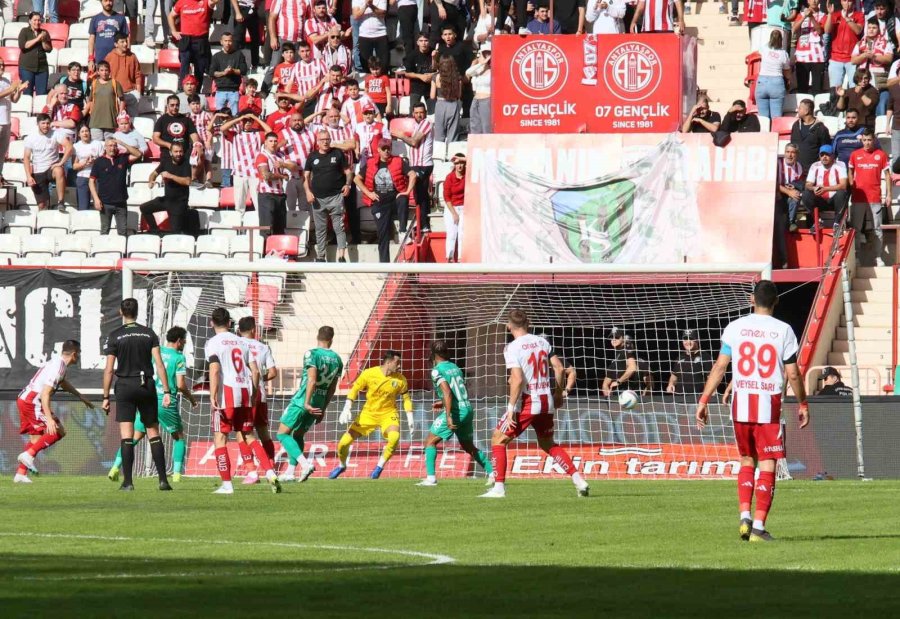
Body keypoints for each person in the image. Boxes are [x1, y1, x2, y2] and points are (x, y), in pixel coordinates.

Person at [695, 280, 809, 542]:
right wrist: (803, 403)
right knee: (768, 464)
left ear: (751, 299)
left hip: (741, 405)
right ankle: (758, 526)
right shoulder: (784, 331)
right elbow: (792, 373)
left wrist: (703, 401)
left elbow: (720, 367)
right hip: (768, 407)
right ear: (776, 301)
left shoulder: (735, 328)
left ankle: (744, 515)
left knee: (747, 460)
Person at [480, 310, 590, 499]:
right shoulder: (542, 342)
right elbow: (559, 367)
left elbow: (516, 379)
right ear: (528, 323)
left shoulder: (512, 347)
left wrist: (511, 408)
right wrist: (558, 393)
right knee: (548, 443)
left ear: (508, 326)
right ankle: (578, 480)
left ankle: (498, 488)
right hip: (546, 399)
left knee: (498, 439)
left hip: (529, 401)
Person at [204, 307, 281, 495]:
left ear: (212, 323)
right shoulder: (242, 342)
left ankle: (227, 485)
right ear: (230, 323)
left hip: (226, 395)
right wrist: (254, 393)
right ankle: (270, 472)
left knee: (220, 437)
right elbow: (255, 372)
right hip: (245, 392)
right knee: (249, 435)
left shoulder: (213, 343)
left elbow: (214, 370)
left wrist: (212, 394)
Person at [108, 326, 197, 484]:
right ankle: (176, 475)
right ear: (178, 341)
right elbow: (181, 384)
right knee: (179, 437)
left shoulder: (154, 350)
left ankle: (115, 468)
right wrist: (191, 399)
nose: (184, 343)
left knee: (132, 438)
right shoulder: (178, 357)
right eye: (183, 340)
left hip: (148, 397)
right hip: (165, 400)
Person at [102, 298, 174, 491]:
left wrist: (106, 397)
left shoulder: (115, 335)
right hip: (146, 385)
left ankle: (128, 482)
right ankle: (163, 480)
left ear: (120, 312)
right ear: (137, 312)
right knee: (153, 432)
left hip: (125, 386)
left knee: (127, 435)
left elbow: (109, 369)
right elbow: (159, 364)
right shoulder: (148, 333)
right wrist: (166, 391)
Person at [14, 340, 94, 484]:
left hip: (24, 399)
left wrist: (79, 396)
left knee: (35, 440)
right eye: (79, 353)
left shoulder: (57, 363)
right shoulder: (59, 367)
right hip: (33, 401)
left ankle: (20, 474)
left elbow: (63, 383)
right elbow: (45, 394)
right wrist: (49, 419)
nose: (80, 356)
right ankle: (28, 455)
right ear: (75, 354)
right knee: (58, 431)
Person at [417, 340, 494, 487]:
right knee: (468, 446)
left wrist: (448, 415)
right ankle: (491, 473)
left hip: (456, 411)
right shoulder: (455, 367)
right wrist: (442, 402)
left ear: (432, 354)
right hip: (467, 408)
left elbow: (447, 392)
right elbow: (457, 390)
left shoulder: (437, 370)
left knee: (430, 441)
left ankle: (431, 479)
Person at [331, 350, 413, 479]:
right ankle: (342, 465)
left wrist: (410, 416)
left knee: (394, 437)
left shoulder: (401, 379)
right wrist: (347, 407)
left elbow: (406, 398)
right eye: (397, 363)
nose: (399, 366)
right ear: (388, 362)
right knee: (343, 443)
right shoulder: (369, 373)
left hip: (388, 414)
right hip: (368, 414)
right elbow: (355, 389)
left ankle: (379, 467)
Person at [277, 325, 344, 482]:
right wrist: (324, 408)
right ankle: (290, 472)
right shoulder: (338, 360)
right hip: (320, 401)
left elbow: (312, 380)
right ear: (331, 340)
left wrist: (306, 402)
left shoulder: (312, 354)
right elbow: (333, 388)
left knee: (282, 433)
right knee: (298, 434)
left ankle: (305, 464)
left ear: (317, 337)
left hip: (303, 400)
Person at [355, 138, 417, 262]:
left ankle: (402, 231)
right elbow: (357, 179)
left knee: (403, 198)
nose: (386, 151)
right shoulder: (371, 162)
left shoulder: (398, 161)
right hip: (379, 203)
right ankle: (384, 266)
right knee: (383, 235)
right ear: (378, 150)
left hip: (394, 201)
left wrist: (407, 191)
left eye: (388, 148)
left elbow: (413, 174)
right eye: (383, 149)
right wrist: (369, 193)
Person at [237, 317, 278, 484]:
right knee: (263, 432)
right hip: (260, 394)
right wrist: (260, 380)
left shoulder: (236, 344)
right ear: (254, 330)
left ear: (239, 330)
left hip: (243, 393)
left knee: (242, 433)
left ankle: (252, 472)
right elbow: (273, 372)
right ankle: (271, 466)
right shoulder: (263, 347)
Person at [305, 129, 352, 262]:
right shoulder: (312, 156)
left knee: (339, 227)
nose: (325, 142)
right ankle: (321, 256)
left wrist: (347, 184)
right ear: (317, 142)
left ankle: (341, 256)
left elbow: (348, 171)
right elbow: (306, 177)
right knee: (320, 229)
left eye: (327, 139)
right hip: (318, 198)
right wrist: (308, 192)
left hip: (335, 196)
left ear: (330, 140)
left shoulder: (337, 153)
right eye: (322, 140)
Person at [848, 127, 891, 265]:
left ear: (874, 140)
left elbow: (887, 175)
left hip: (874, 197)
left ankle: (878, 257)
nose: (867, 143)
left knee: (877, 229)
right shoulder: (855, 154)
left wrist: (889, 194)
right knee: (856, 228)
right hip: (858, 198)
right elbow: (850, 171)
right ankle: (856, 258)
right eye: (864, 140)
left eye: (869, 140)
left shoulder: (881, 154)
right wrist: (852, 186)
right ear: (862, 140)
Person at [392, 102, 434, 234]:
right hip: (416, 164)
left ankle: (424, 225)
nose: (419, 115)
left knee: (421, 195)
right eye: (416, 112)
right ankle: (423, 224)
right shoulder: (417, 125)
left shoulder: (426, 123)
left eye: (421, 112)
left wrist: (401, 136)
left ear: (425, 113)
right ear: (412, 113)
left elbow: (414, 142)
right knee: (419, 195)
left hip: (423, 164)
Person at [90, 136, 142, 234]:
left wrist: (122, 143)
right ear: (105, 147)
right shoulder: (99, 161)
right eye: (110, 145)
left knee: (122, 232)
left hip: (121, 203)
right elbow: (91, 181)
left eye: (114, 145)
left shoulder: (123, 158)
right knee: (104, 231)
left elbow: (138, 154)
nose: (112, 148)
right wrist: (96, 199)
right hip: (105, 203)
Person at [222, 111, 270, 215]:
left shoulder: (258, 134)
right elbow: (223, 128)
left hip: (255, 173)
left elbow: (269, 131)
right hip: (239, 173)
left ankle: (259, 224)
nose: (247, 123)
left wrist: (254, 117)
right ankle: (240, 224)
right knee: (239, 202)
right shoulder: (234, 135)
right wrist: (240, 118)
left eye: (250, 121)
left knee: (258, 201)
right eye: (245, 121)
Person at [140, 140, 192, 235]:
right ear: (170, 152)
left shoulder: (186, 163)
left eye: (180, 151)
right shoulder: (166, 162)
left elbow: (188, 181)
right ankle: (155, 230)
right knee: (144, 208)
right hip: (167, 200)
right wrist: (151, 180)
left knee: (174, 233)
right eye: (176, 152)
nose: (179, 154)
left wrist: (170, 176)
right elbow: (154, 174)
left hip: (179, 203)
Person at [24, 113, 73, 211]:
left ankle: (61, 202)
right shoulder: (30, 138)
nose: (46, 126)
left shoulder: (56, 133)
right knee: (42, 206)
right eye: (43, 123)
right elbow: (26, 158)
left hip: (52, 168)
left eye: (47, 123)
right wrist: (28, 176)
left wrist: (61, 162)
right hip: (38, 171)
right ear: (38, 124)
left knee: (59, 170)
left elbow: (69, 147)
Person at [256, 131, 297, 239]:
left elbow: (294, 167)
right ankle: (265, 252)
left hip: (280, 194)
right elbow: (266, 175)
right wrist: (282, 176)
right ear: (265, 143)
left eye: (275, 141)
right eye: (270, 141)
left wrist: (283, 164)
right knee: (267, 227)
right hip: (267, 194)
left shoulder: (280, 155)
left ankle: (279, 253)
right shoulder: (262, 155)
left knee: (280, 227)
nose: (273, 143)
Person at [168, 0, 215, 89]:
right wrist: (173, 31)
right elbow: (171, 16)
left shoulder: (206, 2)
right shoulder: (181, 2)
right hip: (186, 39)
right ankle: (182, 90)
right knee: (184, 67)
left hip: (201, 40)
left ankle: (197, 92)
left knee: (200, 69)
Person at [851, 18, 893, 115]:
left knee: (880, 104)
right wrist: (863, 56)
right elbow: (853, 60)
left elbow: (889, 59)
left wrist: (874, 56)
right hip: (864, 79)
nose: (871, 30)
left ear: (878, 29)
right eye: (869, 27)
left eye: (874, 27)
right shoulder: (861, 42)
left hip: (879, 80)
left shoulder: (885, 42)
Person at [802, 144, 850, 228]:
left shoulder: (840, 165)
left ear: (833, 156)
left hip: (834, 199)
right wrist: (814, 188)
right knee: (806, 194)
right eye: (822, 155)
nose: (824, 157)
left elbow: (844, 185)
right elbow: (808, 184)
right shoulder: (815, 165)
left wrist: (825, 189)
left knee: (842, 193)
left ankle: (837, 223)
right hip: (820, 199)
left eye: (827, 155)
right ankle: (818, 221)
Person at [278, 111, 317, 212]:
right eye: (294, 120)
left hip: (305, 176)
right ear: (290, 122)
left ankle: (304, 227)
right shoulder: (283, 133)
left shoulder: (311, 134)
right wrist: (280, 144)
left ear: (303, 121)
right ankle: (288, 227)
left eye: (299, 120)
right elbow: (273, 151)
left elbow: (315, 154)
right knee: (289, 206)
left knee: (305, 206)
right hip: (290, 176)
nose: (297, 122)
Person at [825, 0, 865, 91]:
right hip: (836, 58)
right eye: (844, 0)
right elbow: (827, 30)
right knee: (835, 90)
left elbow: (858, 30)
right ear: (841, 2)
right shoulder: (835, 14)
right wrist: (830, 15)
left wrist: (847, 19)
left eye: (849, 1)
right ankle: (835, 105)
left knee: (854, 89)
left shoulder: (859, 15)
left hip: (852, 59)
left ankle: (851, 105)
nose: (847, 3)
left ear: (854, 2)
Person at [153, 94, 201, 167]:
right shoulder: (162, 120)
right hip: (168, 155)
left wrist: (196, 146)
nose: (175, 107)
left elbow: (194, 136)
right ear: (167, 106)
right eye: (172, 105)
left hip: (184, 155)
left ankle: (195, 178)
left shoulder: (186, 119)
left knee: (200, 155)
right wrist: (169, 145)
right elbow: (155, 138)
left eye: (177, 105)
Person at [755, 30, 792, 120]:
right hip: (776, 83)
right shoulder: (784, 54)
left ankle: (764, 133)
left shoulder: (764, 49)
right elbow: (787, 73)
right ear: (781, 40)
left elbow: (757, 53)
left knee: (763, 118)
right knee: (776, 118)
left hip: (762, 82)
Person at [209, 31, 248, 116]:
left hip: (234, 91)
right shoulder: (216, 56)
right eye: (225, 41)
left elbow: (244, 70)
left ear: (232, 41)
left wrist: (233, 71)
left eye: (229, 41)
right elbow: (211, 73)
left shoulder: (239, 55)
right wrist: (224, 73)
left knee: (235, 116)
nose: (227, 43)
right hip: (220, 91)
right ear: (221, 42)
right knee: (220, 116)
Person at [793, 0, 827, 95]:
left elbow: (820, 31)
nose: (814, 1)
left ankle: (816, 108)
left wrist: (811, 17)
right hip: (802, 56)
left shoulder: (823, 15)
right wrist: (804, 16)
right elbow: (794, 29)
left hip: (817, 56)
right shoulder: (801, 14)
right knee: (802, 88)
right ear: (808, 1)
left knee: (817, 88)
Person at [106, 33, 143, 119]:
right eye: (122, 42)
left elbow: (137, 75)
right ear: (116, 44)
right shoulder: (110, 56)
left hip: (131, 93)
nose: (125, 44)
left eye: (126, 41)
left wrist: (138, 92)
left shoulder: (133, 56)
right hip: (115, 94)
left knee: (134, 120)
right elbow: (105, 74)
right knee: (116, 119)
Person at [86, 61, 125, 141]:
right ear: (98, 72)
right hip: (95, 120)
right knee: (97, 146)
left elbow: (122, 100)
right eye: (102, 70)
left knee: (110, 145)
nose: (104, 73)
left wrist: (120, 114)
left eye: (106, 70)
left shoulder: (115, 83)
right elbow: (90, 100)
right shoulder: (94, 83)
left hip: (110, 120)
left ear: (109, 71)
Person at [666, 329, 712, 397]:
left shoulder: (705, 356)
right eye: (685, 339)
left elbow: (711, 378)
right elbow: (674, 375)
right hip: (679, 398)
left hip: (698, 398)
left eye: (691, 339)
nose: (688, 342)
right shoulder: (680, 357)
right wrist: (671, 384)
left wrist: (710, 392)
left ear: (697, 340)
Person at [431, 56, 463, 153]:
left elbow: (432, 96)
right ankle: (451, 156)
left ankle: (439, 157)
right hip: (453, 104)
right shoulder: (457, 77)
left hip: (440, 105)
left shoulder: (436, 77)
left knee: (439, 135)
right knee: (453, 135)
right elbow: (459, 95)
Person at [0, 66, 26, 186]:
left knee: (2, 153)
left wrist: (19, 90)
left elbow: (13, 99)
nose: (1, 67)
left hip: (6, 121)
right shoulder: (8, 84)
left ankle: (0, 176)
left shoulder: (6, 81)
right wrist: (12, 88)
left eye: (2, 65)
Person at [790, 99, 832, 173]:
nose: (797, 110)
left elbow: (825, 151)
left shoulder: (821, 129)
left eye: (799, 108)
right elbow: (792, 146)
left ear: (806, 111)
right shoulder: (795, 125)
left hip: (813, 172)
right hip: (795, 170)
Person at [88, 0, 129, 71]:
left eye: (110, 1)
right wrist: (91, 59)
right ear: (101, 2)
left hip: (117, 58)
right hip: (100, 59)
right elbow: (91, 39)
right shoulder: (95, 19)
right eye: (105, 1)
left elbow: (126, 38)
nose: (108, 3)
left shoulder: (121, 18)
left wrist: (127, 56)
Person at [72, 124, 104, 211]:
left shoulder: (97, 144)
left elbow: (103, 162)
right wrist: (84, 163)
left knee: (99, 206)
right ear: (79, 134)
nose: (85, 133)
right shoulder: (76, 146)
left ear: (90, 133)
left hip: (97, 177)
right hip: (82, 176)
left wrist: (94, 161)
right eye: (82, 131)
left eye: (86, 131)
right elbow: (74, 166)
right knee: (83, 208)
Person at [601, 327, 641, 397]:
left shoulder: (627, 351)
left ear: (622, 338)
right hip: (617, 396)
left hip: (629, 393)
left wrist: (619, 381)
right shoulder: (616, 358)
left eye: (616, 337)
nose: (613, 339)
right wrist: (605, 388)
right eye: (612, 337)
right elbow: (607, 380)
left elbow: (632, 367)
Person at [18, 12, 52, 96]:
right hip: (27, 68)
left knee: (42, 94)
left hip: (42, 68)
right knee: (27, 93)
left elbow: (49, 49)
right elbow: (23, 45)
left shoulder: (44, 32)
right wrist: (38, 38)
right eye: (35, 20)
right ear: (30, 21)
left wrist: (43, 40)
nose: (37, 22)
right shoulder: (24, 31)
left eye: (39, 20)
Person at [401, 34, 436, 114]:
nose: (423, 43)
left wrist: (432, 75)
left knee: (433, 114)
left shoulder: (434, 53)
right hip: (416, 87)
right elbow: (407, 73)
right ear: (417, 42)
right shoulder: (412, 55)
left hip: (431, 87)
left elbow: (440, 69)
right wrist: (420, 76)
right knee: (413, 113)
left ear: (429, 42)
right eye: (421, 41)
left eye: (426, 40)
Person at [353, 0, 389, 72]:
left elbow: (382, 14)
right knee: (365, 63)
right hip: (364, 35)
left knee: (383, 63)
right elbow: (356, 16)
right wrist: (366, 5)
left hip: (381, 34)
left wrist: (371, 5)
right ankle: (368, 80)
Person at [778, 142, 805, 236]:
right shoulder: (778, 163)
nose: (790, 155)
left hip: (789, 194)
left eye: (793, 152)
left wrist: (795, 186)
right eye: (787, 152)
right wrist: (788, 191)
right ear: (784, 153)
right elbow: (773, 184)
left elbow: (801, 183)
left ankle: (791, 223)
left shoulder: (799, 166)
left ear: (797, 154)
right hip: (777, 192)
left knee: (796, 195)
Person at [443, 153, 466, 262]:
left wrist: (462, 158)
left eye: (462, 163)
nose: (460, 166)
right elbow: (446, 197)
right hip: (451, 207)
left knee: (462, 234)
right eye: (457, 163)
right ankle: (449, 257)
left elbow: (476, 162)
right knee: (452, 234)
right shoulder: (449, 177)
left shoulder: (468, 175)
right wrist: (454, 213)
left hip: (465, 207)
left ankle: (461, 258)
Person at [466, 43, 492, 135]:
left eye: (480, 55)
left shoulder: (493, 71)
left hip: (487, 100)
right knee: (475, 126)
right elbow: (468, 72)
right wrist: (482, 63)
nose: (478, 58)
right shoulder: (478, 70)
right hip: (475, 100)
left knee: (486, 126)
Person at [231, 0, 262, 71]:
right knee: (238, 38)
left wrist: (257, 5)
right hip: (241, 8)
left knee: (255, 38)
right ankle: (235, 64)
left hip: (253, 9)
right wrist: (237, 12)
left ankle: (255, 64)